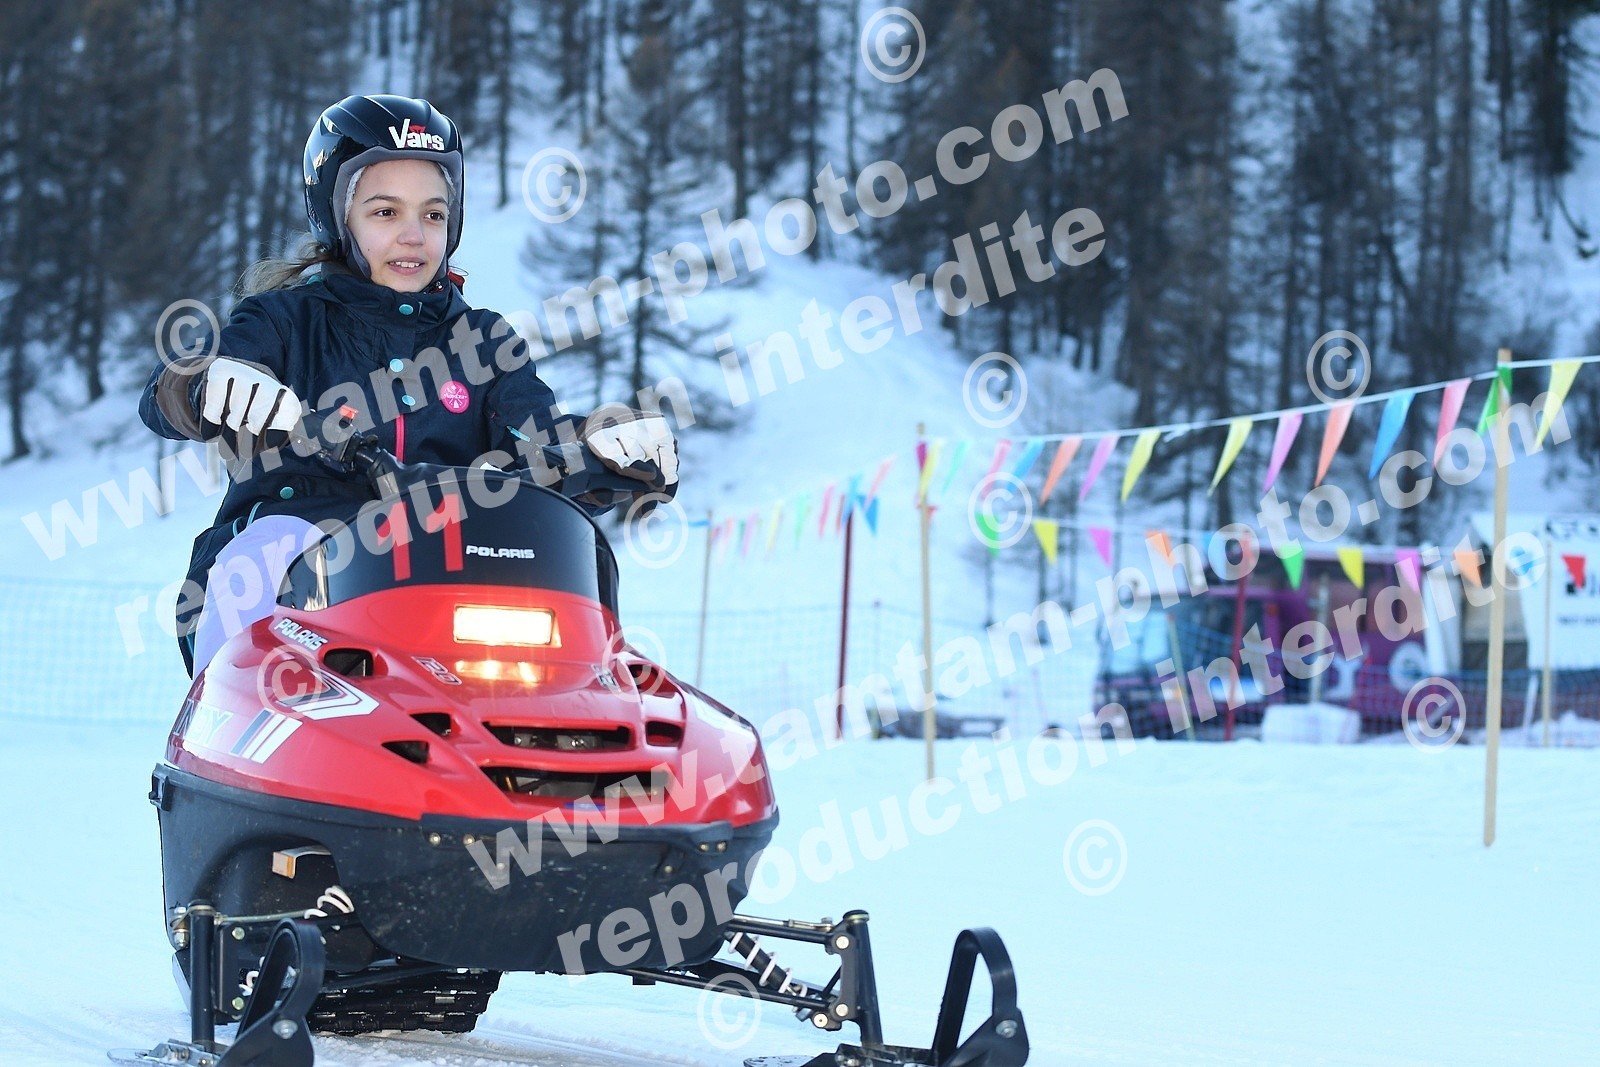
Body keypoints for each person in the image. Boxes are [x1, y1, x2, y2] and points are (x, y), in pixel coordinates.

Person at [139, 94, 677, 675]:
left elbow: (540, 436)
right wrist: (207, 382)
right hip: (299, 577)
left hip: (440, 579)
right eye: (385, 213)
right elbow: (169, 395)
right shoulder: (284, 321)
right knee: (269, 547)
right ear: (339, 219)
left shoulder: (482, 342)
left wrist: (604, 441)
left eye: (433, 214)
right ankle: (242, 697)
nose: (414, 236)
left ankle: (568, 718)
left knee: (540, 591)